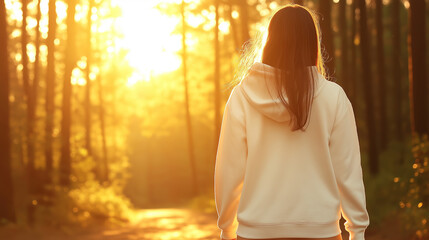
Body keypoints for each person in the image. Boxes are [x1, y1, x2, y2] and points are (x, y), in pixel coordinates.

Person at [214, 4, 370, 240]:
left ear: (271, 41)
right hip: (321, 233)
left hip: (255, 233)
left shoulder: (242, 96)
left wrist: (226, 227)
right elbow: (347, 172)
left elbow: (229, 169)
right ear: (312, 43)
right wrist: (357, 231)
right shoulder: (333, 96)